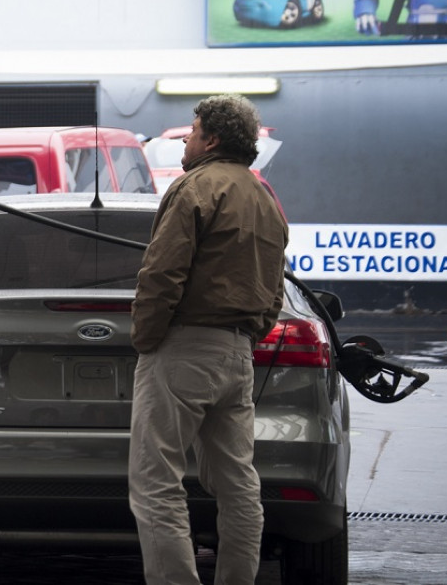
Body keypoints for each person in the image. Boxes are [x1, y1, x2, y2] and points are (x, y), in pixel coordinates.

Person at [128, 94, 288, 585]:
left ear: (212, 139)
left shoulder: (194, 187)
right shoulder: (265, 199)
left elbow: (162, 273)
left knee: (157, 482)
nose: (186, 140)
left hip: (183, 348)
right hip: (237, 353)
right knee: (238, 482)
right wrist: (248, 336)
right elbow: (274, 289)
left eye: (192, 131)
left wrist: (147, 339)